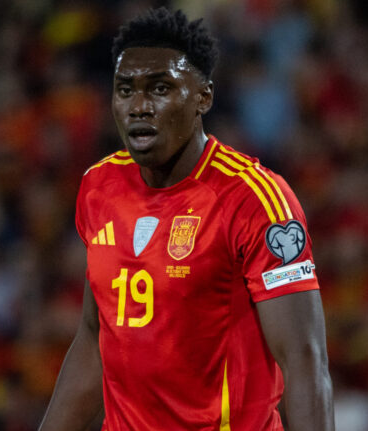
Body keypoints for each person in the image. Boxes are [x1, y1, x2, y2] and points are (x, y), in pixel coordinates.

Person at [39, 7, 334, 430]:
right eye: (125, 90)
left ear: (203, 98)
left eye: (160, 88)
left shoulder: (254, 200)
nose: (139, 107)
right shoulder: (98, 187)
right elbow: (93, 337)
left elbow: (305, 362)